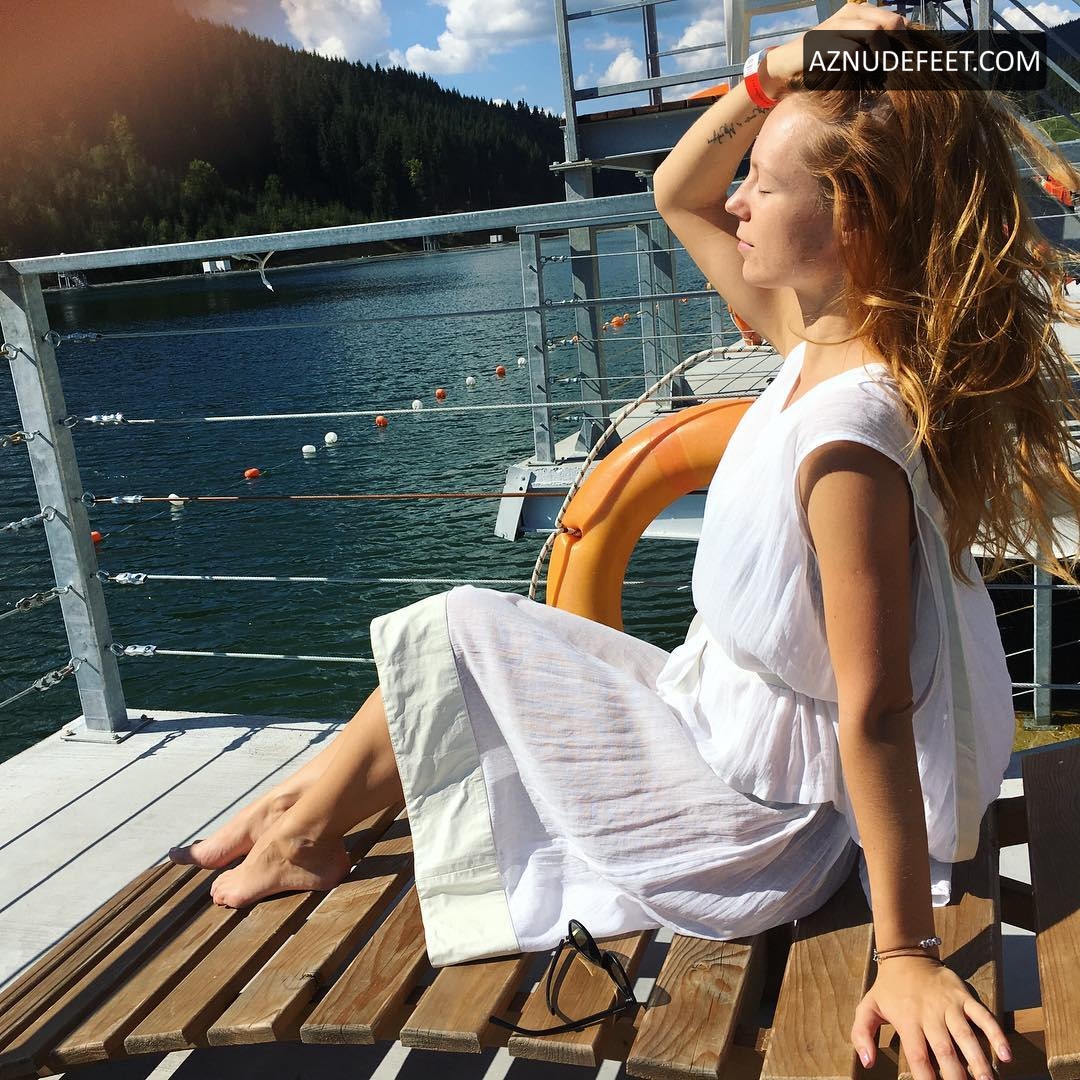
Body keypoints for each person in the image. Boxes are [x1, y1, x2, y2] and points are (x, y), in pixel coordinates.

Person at [169, 3, 1080, 1074]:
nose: (734, 198)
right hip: (718, 728)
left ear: (854, 218)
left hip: (751, 819)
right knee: (469, 632)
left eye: (764, 182)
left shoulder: (850, 439)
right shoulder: (817, 336)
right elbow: (673, 192)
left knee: (464, 629)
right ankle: (298, 819)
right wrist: (778, 71)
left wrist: (907, 954)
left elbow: (876, 710)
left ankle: (298, 832)